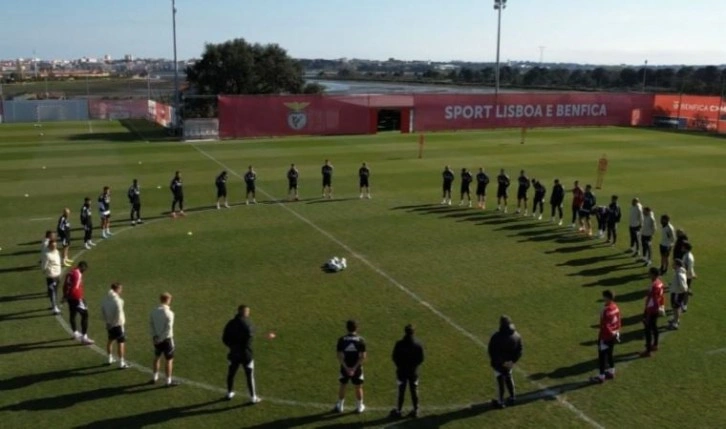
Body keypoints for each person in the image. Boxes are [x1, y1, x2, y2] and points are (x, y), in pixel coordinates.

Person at [222, 305, 261, 403]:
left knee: (231, 373)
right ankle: (253, 397)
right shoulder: (248, 323)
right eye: (247, 311)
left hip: (234, 353)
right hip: (246, 354)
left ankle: (229, 392)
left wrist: (232, 347)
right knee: (249, 375)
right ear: (244, 312)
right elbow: (250, 336)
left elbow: (225, 338)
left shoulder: (230, 323)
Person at [488, 315, 523, 409]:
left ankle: (500, 402)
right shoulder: (516, 335)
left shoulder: (496, 337)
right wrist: (512, 361)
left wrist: (502, 362)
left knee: (500, 381)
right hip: (510, 364)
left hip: (499, 364)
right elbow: (519, 350)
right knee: (509, 377)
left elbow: (492, 351)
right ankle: (512, 397)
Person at [390, 324, 425, 418]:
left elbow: (394, 357)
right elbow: (421, 359)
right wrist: (414, 366)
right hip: (413, 372)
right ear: (413, 333)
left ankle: (398, 410)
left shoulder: (399, 344)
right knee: (414, 390)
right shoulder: (418, 345)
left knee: (401, 391)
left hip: (401, 371)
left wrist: (399, 366)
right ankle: (416, 409)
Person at [335, 319, 367, 414]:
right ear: (356, 328)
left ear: (347, 328)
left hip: (345, 367)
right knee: (358, 387)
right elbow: (363, 356)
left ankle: (340, 406)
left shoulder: (341, 340)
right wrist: (354, 368)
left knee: (343, 385)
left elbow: (339, 355)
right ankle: (359, 407)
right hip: (356, 368)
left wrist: (346, 367)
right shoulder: (361, 340)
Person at [590, 290, 621, 384]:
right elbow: (619, 320)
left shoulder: (605, 310)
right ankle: (611, 372)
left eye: (604, 297)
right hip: (614, 334)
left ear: (607, 298)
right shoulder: (616, 307)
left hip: (605, 336)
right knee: (610, 354)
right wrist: (617, 332)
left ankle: (601, 377)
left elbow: (605, 325)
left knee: (602, 357)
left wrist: (608, 334)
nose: (603, 298)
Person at [62, 261, 94, 345]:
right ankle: (84, 337)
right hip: (76, 297)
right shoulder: (78, 274)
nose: (84, 271)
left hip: (70, 298)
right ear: (81, 267)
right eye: (84, 269)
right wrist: (77, 298)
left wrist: (65, 295)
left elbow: (65, 285)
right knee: (85, 315)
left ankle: (75, 333)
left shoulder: (70, 272)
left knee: (72, 314)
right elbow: (74, 288)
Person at [150, 292, 177, 386]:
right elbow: (168, 329)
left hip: (156, 339)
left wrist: (155, 336)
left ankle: (154, 377)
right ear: (168, 300)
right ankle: (168, 381)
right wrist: (161, 338)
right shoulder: (170, 313)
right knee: (169, 360)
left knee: (156, 357)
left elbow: (151, 324)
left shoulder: (153, 311)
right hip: (167, 340)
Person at [101, 283, 129, 369]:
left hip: (109, 324)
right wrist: (114, 323)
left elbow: (103, 311)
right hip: (118, 324)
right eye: (120, 289)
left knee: (110, 340)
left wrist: (107, 322)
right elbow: (118, 314)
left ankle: (109, 358)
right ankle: (121, 362)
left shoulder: (105, 299)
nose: (121, 291)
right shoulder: (118, 301)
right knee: (121, 342)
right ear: (117, 289)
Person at [640, 267, 665, 358]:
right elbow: (661, 297)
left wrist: (648, 312)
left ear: (654, 274)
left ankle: (648, 351)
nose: (648, 274)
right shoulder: (660, 283)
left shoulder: (654, 285)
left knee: (647, 329)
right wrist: (661, 306)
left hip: (651, 310)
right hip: (656, 309)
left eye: (649, 273)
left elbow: (653, 300)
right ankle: (655, 344)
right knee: (654, 326)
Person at [41, 239, 62, 314]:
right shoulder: (47, 254)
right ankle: (54, 307)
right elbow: (44, 265)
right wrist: (44, 271)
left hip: (57, 274)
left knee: (55, 291)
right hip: (51, 275)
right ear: (49, 245)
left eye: (55, 245)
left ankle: (54, 304)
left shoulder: (56, 251)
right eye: (53, 245)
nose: (54, 246)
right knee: (52, 291)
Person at [668, 259, 688, 330]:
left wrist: (680, 291)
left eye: (673, 264)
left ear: (677, 265)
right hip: (676, 292)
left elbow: (683, 285)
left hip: (677, 293)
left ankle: (675, 323)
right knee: (675, 308)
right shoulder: (679, 272)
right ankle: (675, 319)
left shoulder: (680, 274)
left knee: (676, 308)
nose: (672, 265)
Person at [682, 242, 696, 312]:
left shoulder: (688, 257)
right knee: (685, 290)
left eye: (683, 247)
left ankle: (685, 305)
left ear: (685, 248)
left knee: (685, 291)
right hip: (687, 275)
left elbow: (688, 267)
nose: (682, 248)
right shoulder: (688, 255)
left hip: (686, 276)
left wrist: (686, 275)